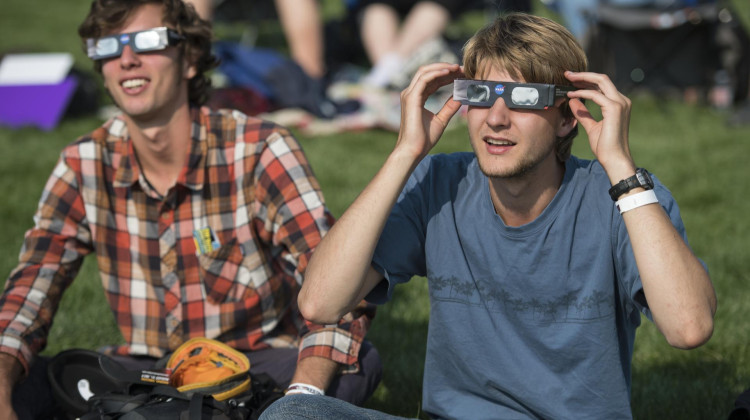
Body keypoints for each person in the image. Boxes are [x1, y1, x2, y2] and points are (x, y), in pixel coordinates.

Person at [260, 12, 717, 419]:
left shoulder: (625, 197)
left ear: (566, 116)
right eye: (480, 93)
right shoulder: (440, 183)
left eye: (522, 98)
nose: (496, 117)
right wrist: (405, 153)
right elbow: (320, 303)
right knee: (293, 412)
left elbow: (689, 327)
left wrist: (621, 168)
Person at [0, 0, 381, 419]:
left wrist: (300, 398)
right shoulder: (83, 162)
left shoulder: (258, 149)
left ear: (190, 60)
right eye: (108, 46)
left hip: (249, 368)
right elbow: (31, 289)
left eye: (147, 42)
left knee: (353, 363)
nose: (126, 59)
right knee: (15, 378)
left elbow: (338, 292)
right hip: (141, 371)